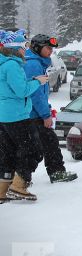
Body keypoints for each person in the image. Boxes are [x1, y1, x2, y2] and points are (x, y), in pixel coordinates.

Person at [0, 30, 49, 203]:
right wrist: (38, 82)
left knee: (8, 152)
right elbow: (21, 91)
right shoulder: (12, 65)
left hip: (4, 117)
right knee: (32, 149)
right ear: (16, 48)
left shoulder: (3, 64)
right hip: (17, 116)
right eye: (24, 46)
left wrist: (32, 80)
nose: (25, 50)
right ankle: (19, 186)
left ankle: (2, 191)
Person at [23, 34, 77, 183]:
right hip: (33, 115)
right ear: (37, 48)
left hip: (33, 113)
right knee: (41, 146)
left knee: (43, 144)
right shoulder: (33, 64)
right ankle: (22, 178)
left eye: (52, 48)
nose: (51, 51)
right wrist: (45, 114)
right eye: (48, 48)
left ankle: (21, 178)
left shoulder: (37, 62)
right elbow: (35, 94)